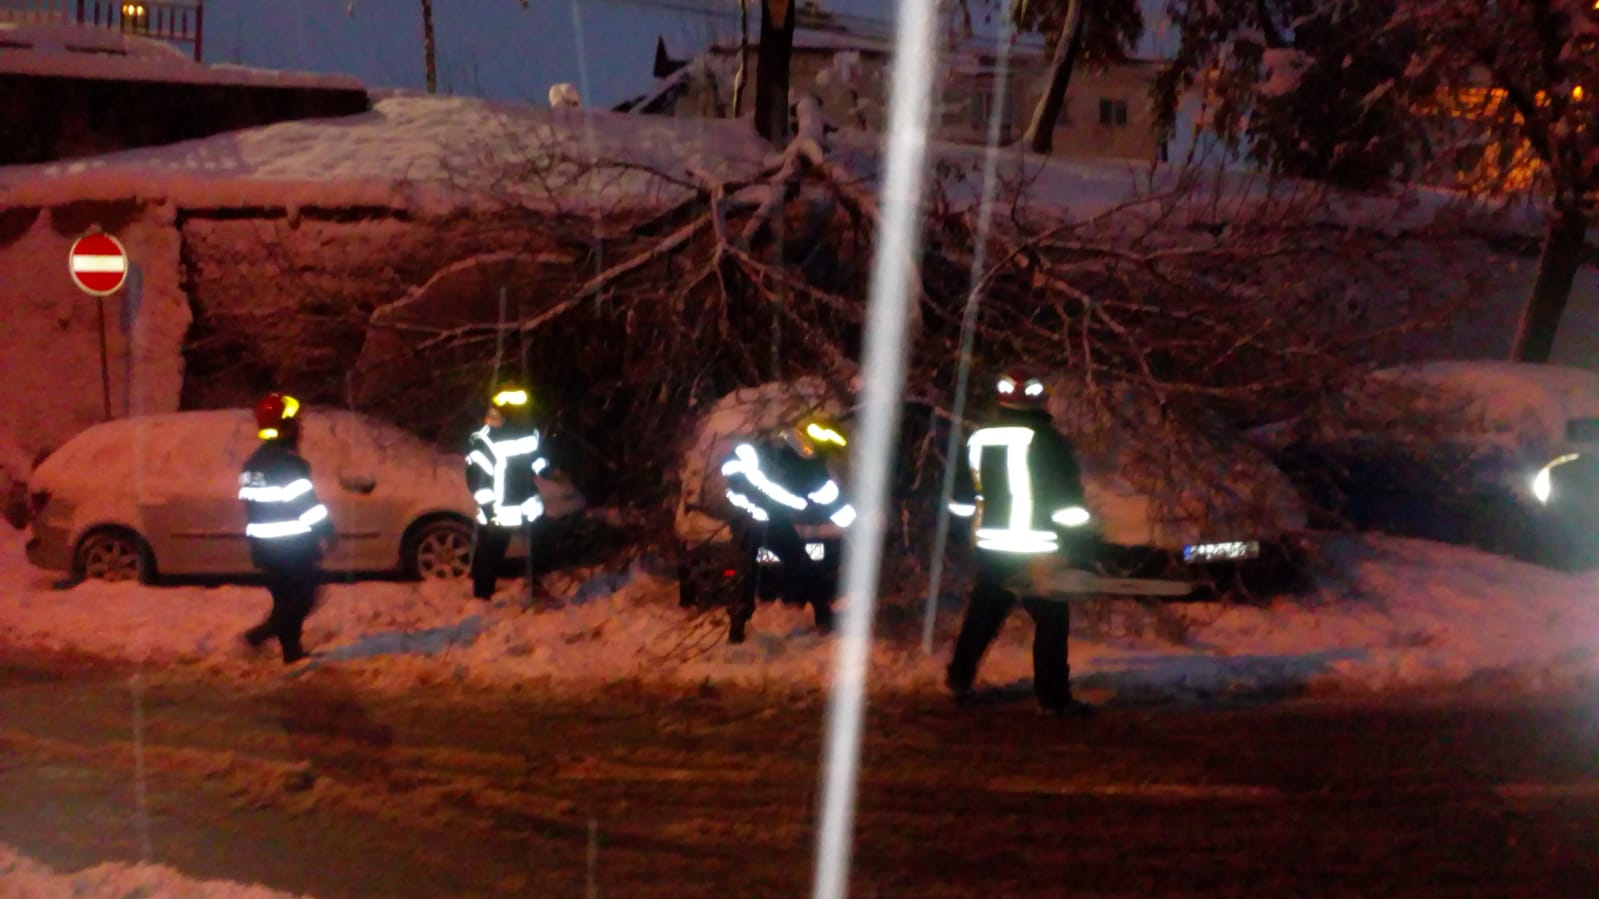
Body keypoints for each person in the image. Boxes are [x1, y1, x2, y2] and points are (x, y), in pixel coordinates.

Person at [945, 369, 1096, 716]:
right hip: (1036, 548)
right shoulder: (1047, 441)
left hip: (991, 546)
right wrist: (1081, 540)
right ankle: (1054, 698)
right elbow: (1066, 501)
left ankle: (958, 679)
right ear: (1040, 398)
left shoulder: (979, 439)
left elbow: (962, 498)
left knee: (982, 615)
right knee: (1051, 621)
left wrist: (964, 533)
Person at [718, 415, 856, 644]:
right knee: (799, 564)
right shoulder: (810, 466)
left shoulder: (783, 446)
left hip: (751, 519)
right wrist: (856, 526)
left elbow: (735, 472)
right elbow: (831, 502)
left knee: (747, 573)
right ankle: (824, 618)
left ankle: (738, 627)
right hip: (767, 520)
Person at [239, 392, 334, 665]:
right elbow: (306, 505)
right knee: (302, 599)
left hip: (265, 548)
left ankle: (291, 652)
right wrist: (327, 530)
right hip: (293, 547)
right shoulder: (289, 465)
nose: (300, 427)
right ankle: (259, 635)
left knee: (284, 600)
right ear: (286, 427)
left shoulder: (253, 464)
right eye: (295, 422)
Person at [465, 381, 550, 602]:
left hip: (527, 503)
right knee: (490, 552)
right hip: (498, 509)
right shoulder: (483, 439)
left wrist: (545, 468)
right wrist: (487, 506)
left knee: (539, 546)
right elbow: (477, 479)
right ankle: (482, 595)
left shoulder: (529, 432)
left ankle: (535, 587)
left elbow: (535, 457)